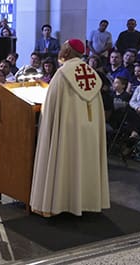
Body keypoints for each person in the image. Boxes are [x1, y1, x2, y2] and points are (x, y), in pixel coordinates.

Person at [30, 39, 109, 217]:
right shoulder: (91, 73)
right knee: (83, 163)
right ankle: (85, 202)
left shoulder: (63, 73)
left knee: (65, 161)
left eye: (64, 47)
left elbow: (50, 105)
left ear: (67, 51)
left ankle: (59, 204)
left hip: (66, 128)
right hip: (88, 129)